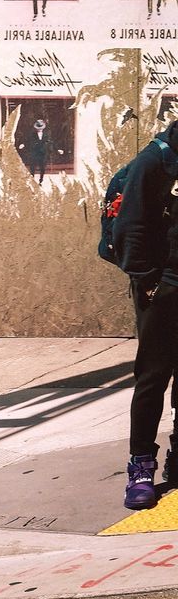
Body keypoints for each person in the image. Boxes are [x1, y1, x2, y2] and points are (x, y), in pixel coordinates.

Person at [113, 118, 178, 509]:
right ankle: (141, 466)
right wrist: (149, 282)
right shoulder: (155, 161)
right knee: (153, 377)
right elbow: (129, 227)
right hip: (163, 284)